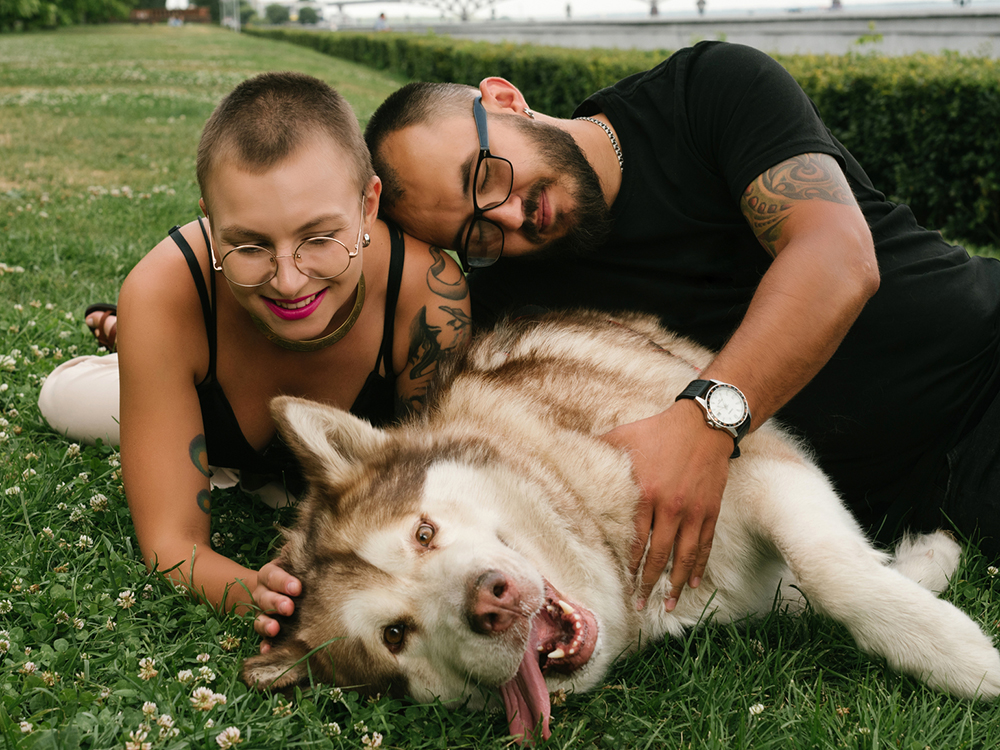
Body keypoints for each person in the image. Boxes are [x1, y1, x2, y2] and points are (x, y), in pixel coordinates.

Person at [363, 41, 1000, 613]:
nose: (509, 215)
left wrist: (704, 423)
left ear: (505, 101)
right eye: (476, 231)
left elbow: (838, 259)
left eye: (486, 173)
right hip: (909, 499)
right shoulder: (510, 301)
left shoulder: (706, 91)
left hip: (984, 358)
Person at [39, 72, 471, 641]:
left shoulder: (426, 293)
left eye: (319, 237)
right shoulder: (163, 290)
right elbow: (171, 543)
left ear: (368, 205)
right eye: (248, 245)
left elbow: (442, 492)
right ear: (210, 225)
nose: (290, 281)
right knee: (58, 400)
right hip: (186, 375)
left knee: (300, 481)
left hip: (318, 453)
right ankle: (142, 357)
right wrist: (254, 591)